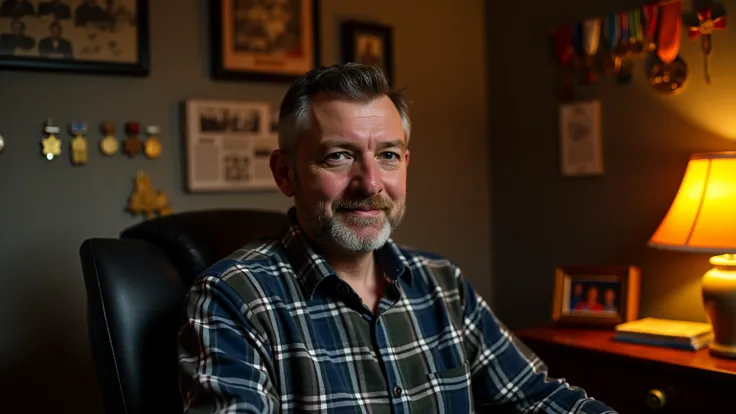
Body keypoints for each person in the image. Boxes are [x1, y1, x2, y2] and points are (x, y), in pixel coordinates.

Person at [177, 63, 618, 413]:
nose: (370, 183)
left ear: (405, 163)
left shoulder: (441, 284)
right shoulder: (233, 298)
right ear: (285, 173)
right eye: (339, 156)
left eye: (387, 156)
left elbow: (537, 398)